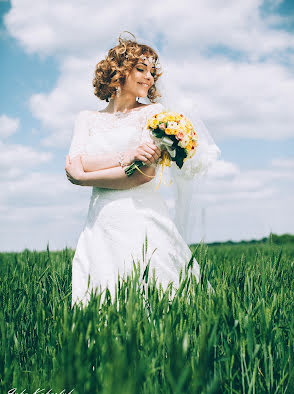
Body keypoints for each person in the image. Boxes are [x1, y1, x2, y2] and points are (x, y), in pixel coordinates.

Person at [65, 32, 220, 308]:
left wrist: (84, 174)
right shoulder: (86, 118)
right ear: (118, 72)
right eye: (141, 69)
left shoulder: (155, 114)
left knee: (156, 300)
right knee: (98, 301)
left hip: (142, 218)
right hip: (99, 222)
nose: (149, 77)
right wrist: (127, 156)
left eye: (152, 72)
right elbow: (72, 168)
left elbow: (141, 176)